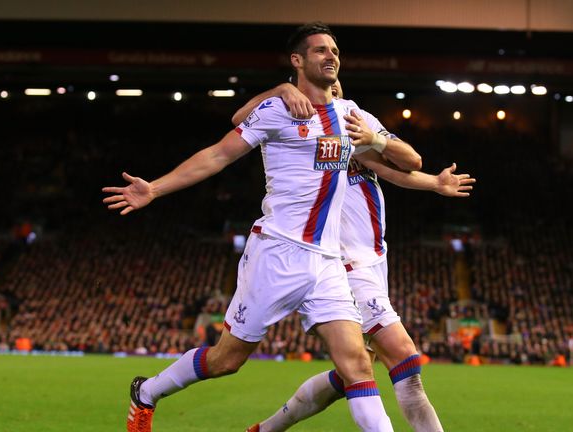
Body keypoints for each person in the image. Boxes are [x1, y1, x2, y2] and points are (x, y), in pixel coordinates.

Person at [105, 22, 397, 432]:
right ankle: (147, 392)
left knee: (358, 364)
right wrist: (153, 189)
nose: (331, 56)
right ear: (298, 61)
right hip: (277, 253)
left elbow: (407, 160)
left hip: (329, 262)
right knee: (226, 361)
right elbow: (218, 155)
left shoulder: (352, 116)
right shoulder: (280, 110)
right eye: (319, 51)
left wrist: (392, 149)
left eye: (334, 50)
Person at [234, 81, 475, 431]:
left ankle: (266, 429)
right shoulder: (302, 139)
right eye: (324, 83)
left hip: (376, 261)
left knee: (351, 374)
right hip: (345, 266)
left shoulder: (352, 125)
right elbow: (239, 119)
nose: (333, 87)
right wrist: (279, 91)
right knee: (405, 358)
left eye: (336, 83)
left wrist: (432, 182)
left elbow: (404, 164)